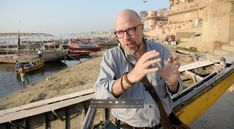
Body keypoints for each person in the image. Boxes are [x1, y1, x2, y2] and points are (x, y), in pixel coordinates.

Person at [95, 9, 184, 128]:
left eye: (131, 30)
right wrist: (129, 78)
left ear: (142, 29)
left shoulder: (159, 51)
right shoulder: (112, 57)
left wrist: (172, 83)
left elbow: (177, 88)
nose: (125, 38)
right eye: (120, 32)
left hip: (165, 123)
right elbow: (100, 97)